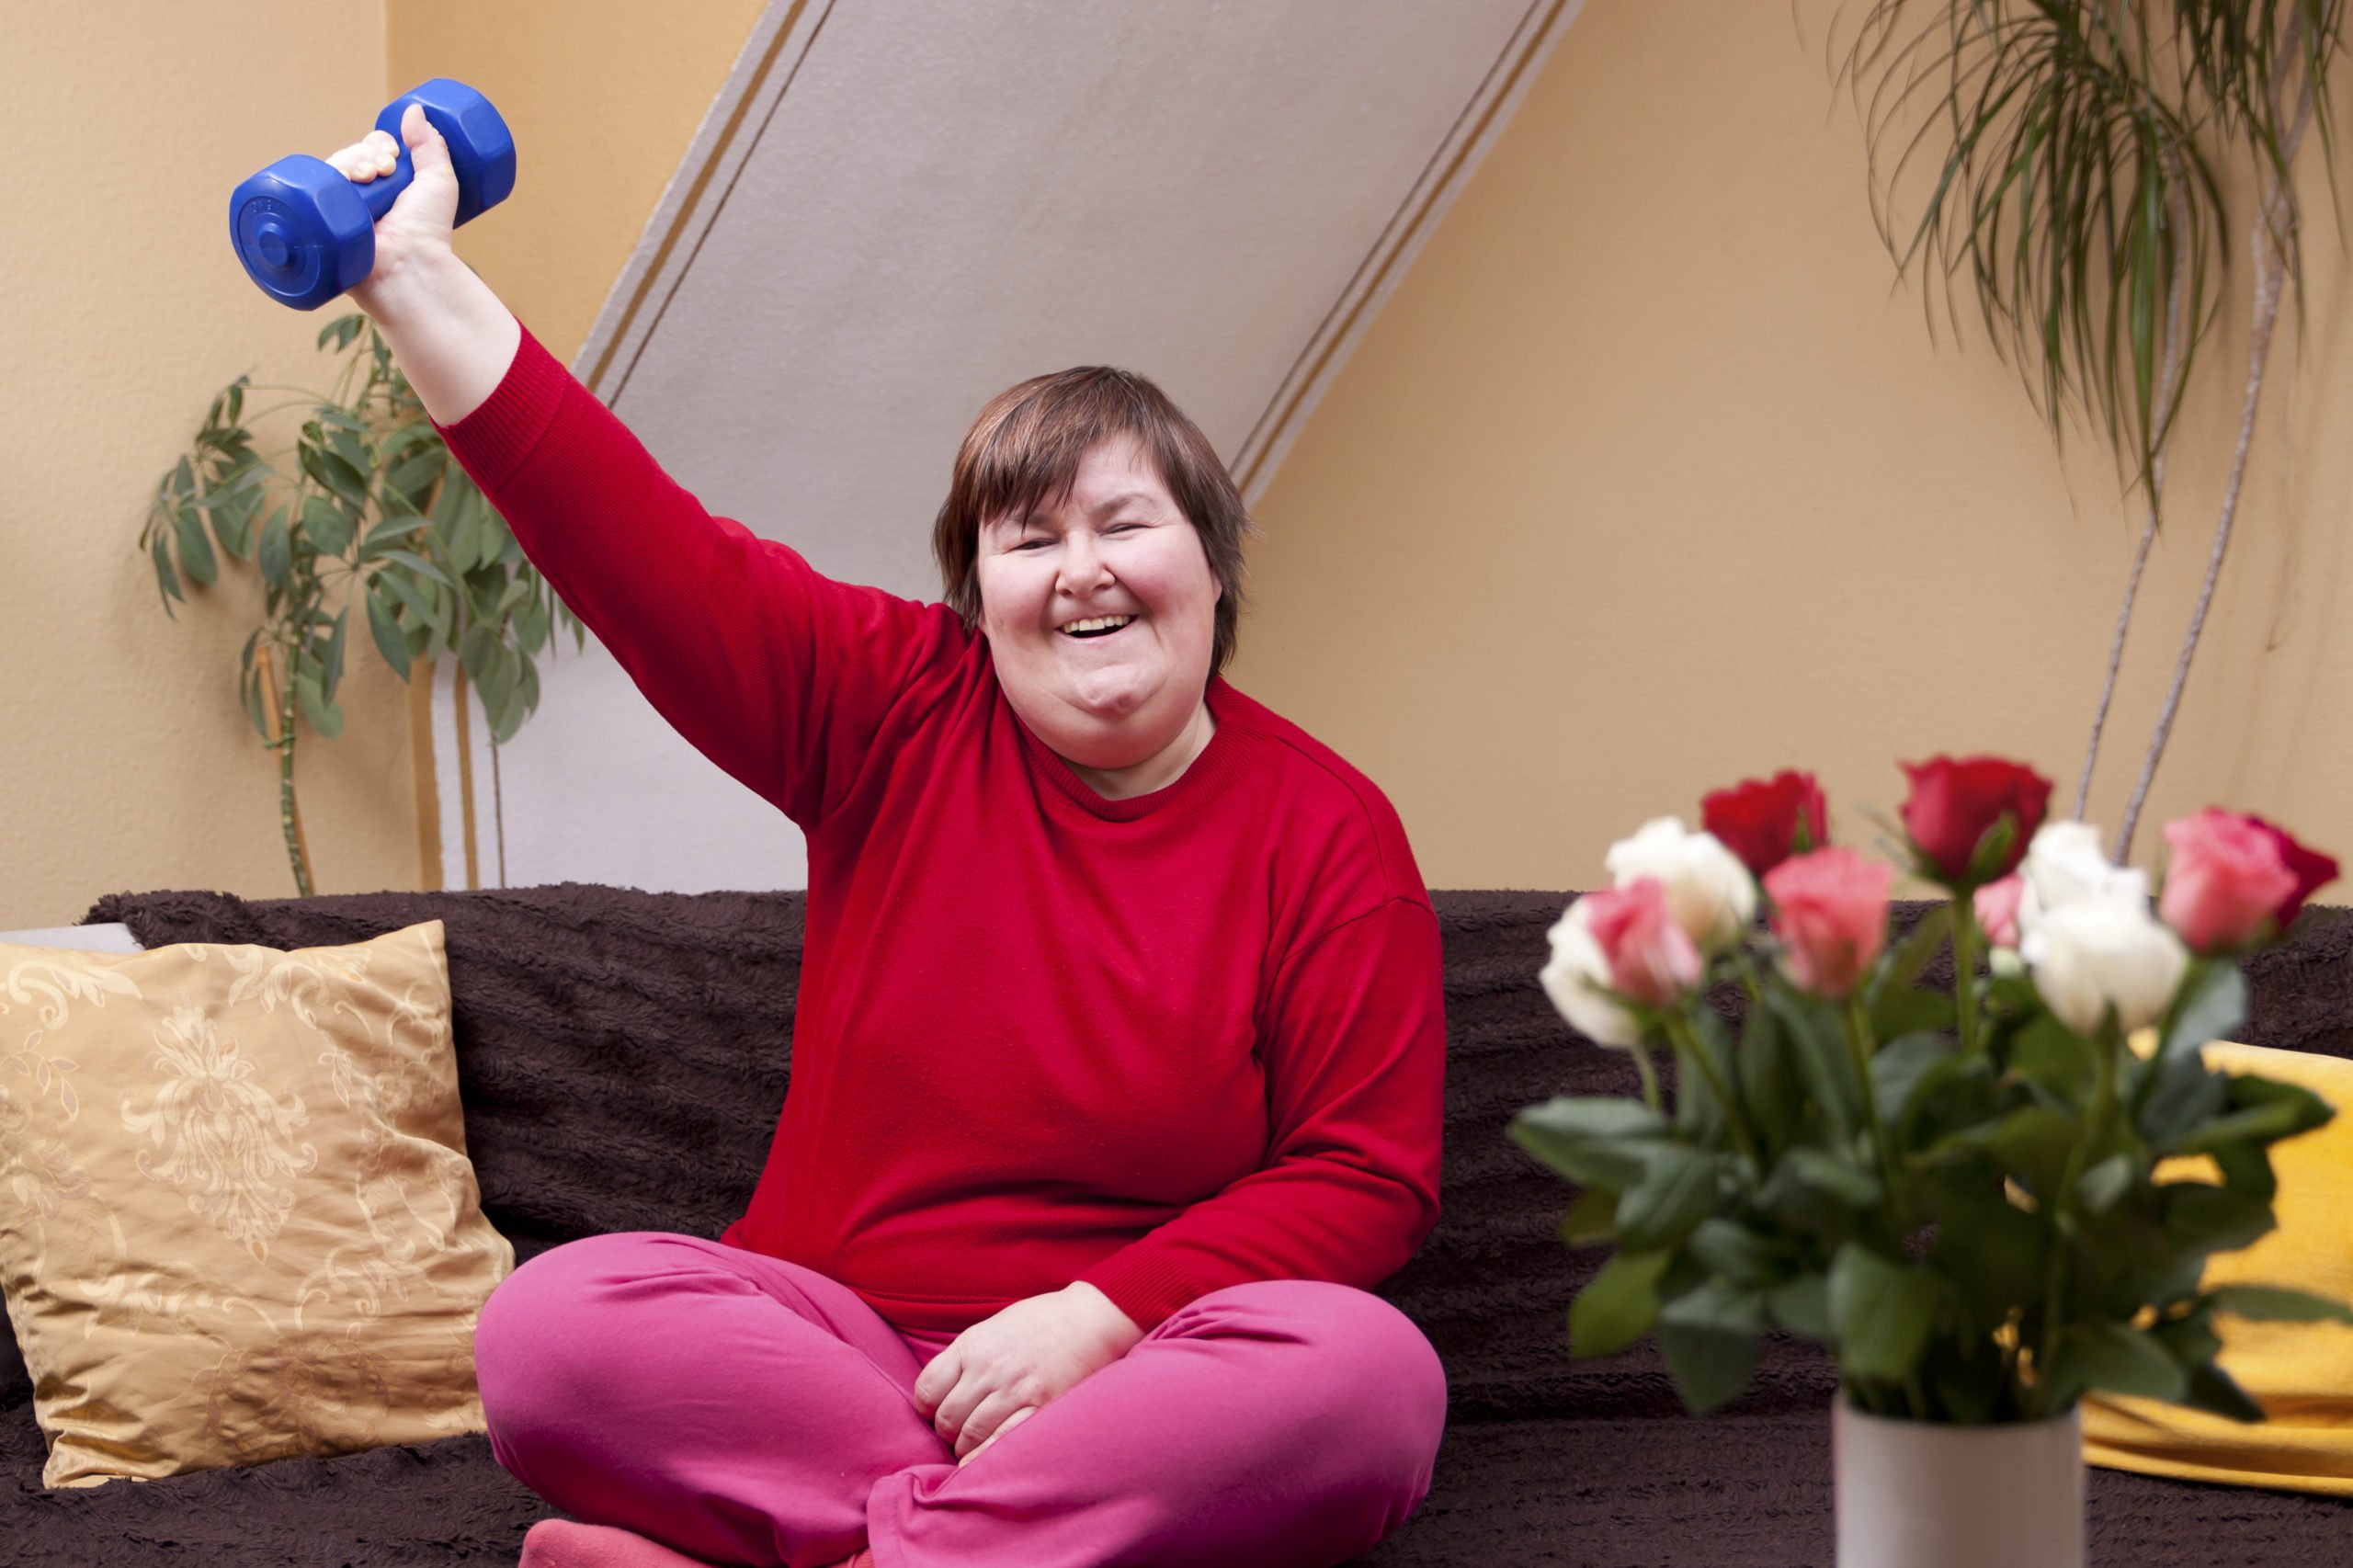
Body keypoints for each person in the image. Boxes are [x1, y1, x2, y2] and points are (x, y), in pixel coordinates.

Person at [324, 103, 1450, 1568]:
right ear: (976, 599)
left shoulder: (1330, 830)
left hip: (1145, 1370)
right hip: (838, 1352)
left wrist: (1094, 1322)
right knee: (552, 1328)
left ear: (1213, 569)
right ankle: (1004, 1544)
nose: (1083, 569)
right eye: (1028, 538)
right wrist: (410, 275)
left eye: (1127, 522)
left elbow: (1367, 1174)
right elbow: (634, 537)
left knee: (1367, 1380)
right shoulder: (888, 707)